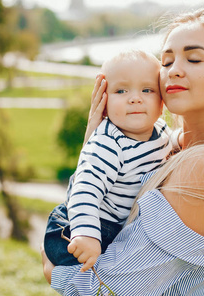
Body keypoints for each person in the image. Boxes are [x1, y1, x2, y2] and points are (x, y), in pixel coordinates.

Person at [42, 4, 204, 296]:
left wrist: (49, 264)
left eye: (194, 59)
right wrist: (96, 149)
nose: (174, 71)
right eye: (167, 61)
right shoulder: (167, 146)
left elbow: (102, 293)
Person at [43, 50, 172, 274]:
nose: (135, 98)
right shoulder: (109, 143)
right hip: (80, 225)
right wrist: (87, 235)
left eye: (147, 90)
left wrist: (183, 139)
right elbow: (85, 191)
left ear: (162, 102)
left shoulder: (161, 131)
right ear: (104, 101)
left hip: (115, 229)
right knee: (90, 278)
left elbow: (173, 140)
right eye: (121, 90)